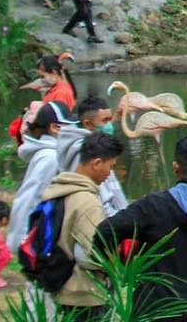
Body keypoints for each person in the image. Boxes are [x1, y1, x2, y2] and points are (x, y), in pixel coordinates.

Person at [96, 135, 187, 322]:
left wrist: (113, 266)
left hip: (151, 309)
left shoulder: (152, 207)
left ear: (175, 166)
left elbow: (106, 230)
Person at [38, 131, 124, 319]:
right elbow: (89, 256)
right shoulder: (88, 202)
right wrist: (113, 260)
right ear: (96, 164)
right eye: (111, 166)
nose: (110, 174)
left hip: (59, 284)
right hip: (85, 294)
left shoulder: (56, 190)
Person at [10, 101, 73, 248]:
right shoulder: (50, 157)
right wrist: (19, 241)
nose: (74, 130)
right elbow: (28, 199)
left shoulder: (54, 153)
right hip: (42, 234)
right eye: (69, 126)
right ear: (54, 128)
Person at [55, 97, 129, 216]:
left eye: (110, 120)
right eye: (105, 121)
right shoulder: (86, 153)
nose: (110, 125)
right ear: (87, 124)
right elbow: (101, 203)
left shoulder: (89, 146)